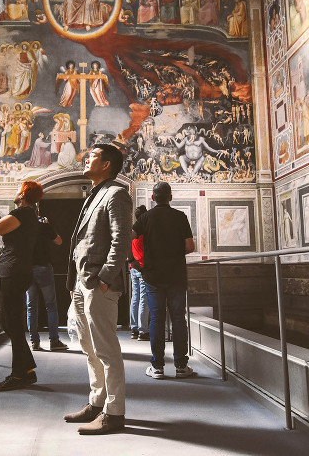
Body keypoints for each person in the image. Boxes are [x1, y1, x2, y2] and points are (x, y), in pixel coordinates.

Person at [63, 144, 131, 435]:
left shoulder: (116, 194)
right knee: (88, 348)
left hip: (99, 282)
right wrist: (73, 283)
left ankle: (114, 414)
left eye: (92, 155)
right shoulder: (95, 193)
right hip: (82, 282)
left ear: (106, 164)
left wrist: (104, 277)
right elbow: (81, 243)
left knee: (106, 349)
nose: (86, 158)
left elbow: (121, 241)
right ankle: (96, 402)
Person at [132, 182, 195, 380]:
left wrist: (134, 260)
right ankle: (181, 366)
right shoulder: (180, 216)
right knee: (178, 318)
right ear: (170, 197)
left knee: (157, 319)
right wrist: (174, 251)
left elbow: (129, 237)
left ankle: (157, 366)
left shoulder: (144, 218)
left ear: (153, 198)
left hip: (153, 276)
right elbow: (190, 247)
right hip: (176, 275)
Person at [0, 181, 41, 391]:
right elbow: (2, 225)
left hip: (14, 272)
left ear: (23, 194)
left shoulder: (24, 213)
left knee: (12, 323)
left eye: (19, 189)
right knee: (11, 322)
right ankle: (26, 370)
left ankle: (19, 375)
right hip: (18, 271)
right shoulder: (27, 214)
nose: (16, 191)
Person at [26, 214, 68, 351]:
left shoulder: (23, 227)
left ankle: (34, 342)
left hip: (28, 269)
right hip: (44, 268)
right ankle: (54, 341)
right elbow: (59, 241)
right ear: (36, 212)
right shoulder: (44, 226)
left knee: (31, 307)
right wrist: (48, 225)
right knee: (50, 306)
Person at [129, 206, 149, 341]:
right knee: (144, 299)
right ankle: (143, 331)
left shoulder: (132, 231)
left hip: (133, 267)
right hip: (142, 267)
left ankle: (134, 328)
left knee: (135, 298)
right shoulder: (145, 232)